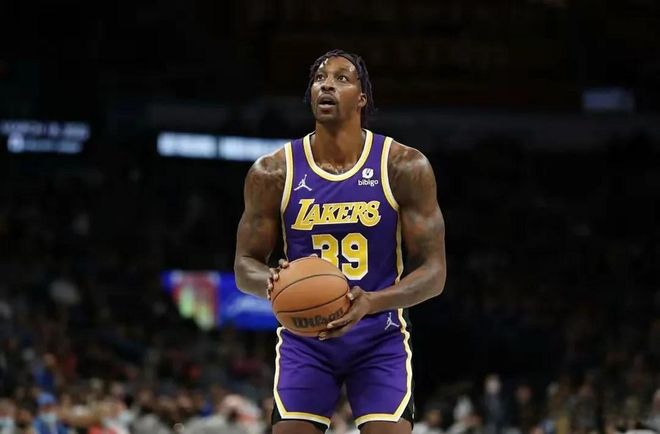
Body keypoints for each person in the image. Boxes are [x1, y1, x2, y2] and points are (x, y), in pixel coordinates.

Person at [234, 49, 447, 434]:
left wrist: (372, 302)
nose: (326, 85)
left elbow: (434, 273)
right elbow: (244, 266)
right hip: (305, 339)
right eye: (319, 78)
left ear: (362, 97)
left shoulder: (403, 166)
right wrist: (273, 282)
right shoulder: (272, 171)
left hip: (379, 336)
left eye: (341, 78)